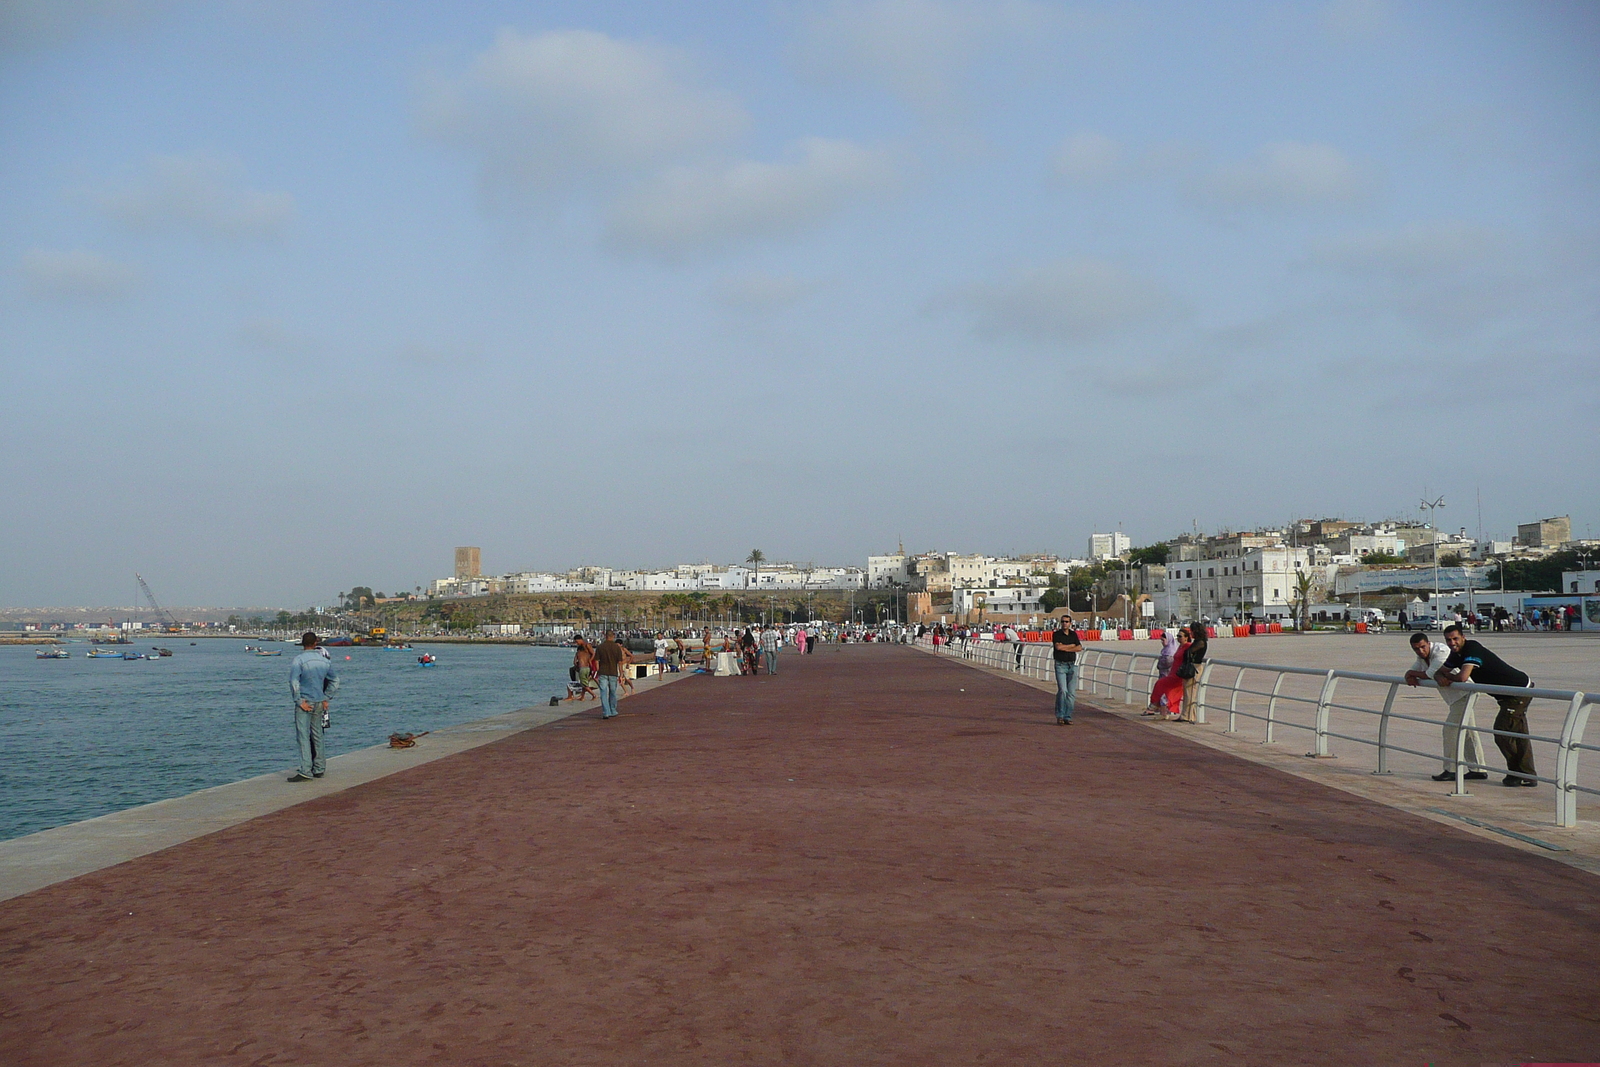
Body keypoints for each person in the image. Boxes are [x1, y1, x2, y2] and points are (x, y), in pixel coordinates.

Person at [1436, 625, 1537, 786]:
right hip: (1507, 697)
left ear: (1463, 637)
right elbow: (1440, 670)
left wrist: (1446, 677)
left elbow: (1462, 676)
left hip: (1518, 692)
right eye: (1448, 640)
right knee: (1518, 735)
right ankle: (1526, 775)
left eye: (1455, 638)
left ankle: (1518, 773)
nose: (1452, 643)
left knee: (1502, 733)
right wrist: (1440, 675)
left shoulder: (1472, 649)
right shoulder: (1457, 654)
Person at [1405, 631, 1489, 782]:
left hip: (1465, 693)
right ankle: (1478, 769)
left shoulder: (1441, 651)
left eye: (1423, 647)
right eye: (1416, 649)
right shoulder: (1422, 656)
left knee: (1450, 730)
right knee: (1468, 732)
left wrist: (1412, 673)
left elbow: (1429, 673)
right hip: (1456, 697)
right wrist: (1410, 673)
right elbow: (1417, 671)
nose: (1421, 651)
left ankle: (1451, 770)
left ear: (1428, 643)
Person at [287, 631, 339, 782]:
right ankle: (320, 768)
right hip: (319, 701)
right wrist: (326, 697)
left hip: (305, 701)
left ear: (302, 643)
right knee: (318, 735)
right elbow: (335, 681)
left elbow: (294, 681)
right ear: (316, 643)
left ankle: (305, 770)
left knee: (303, 735)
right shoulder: (324, 660)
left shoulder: (299, 660)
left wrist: (298, 701)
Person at [1051, 622, 1083, 725]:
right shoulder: (1057, 634)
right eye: (1063, 621)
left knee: (1071, 693)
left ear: (1070, 623)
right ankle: (1060, 715)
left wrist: (1065, 647)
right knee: (1063, 690)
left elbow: (1079, 648)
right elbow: (1058, 647)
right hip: (1060, 665)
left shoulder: (1073, 634)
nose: (1065, 623)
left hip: (1072, 665)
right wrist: (1071, 646)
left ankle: (1067, 716)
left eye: (1067, 621)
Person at [1175, 622, 1207, 724]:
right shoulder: (1198, 641)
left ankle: (1188, 716)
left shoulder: (1200, 642)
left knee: (1190, 693)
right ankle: (1187, 715)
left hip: (1194, 667)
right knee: (1188, 692)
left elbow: (1189, 652)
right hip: (1193, 666)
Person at [595, 631, 626, 719]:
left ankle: (606, 712)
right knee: (612, 692)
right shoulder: (617, 648)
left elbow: (596, 661)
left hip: (603, 672)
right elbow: (620, 663)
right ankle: (613, 710)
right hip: (613, 672)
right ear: (613, 636)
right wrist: (621, 674)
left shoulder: (600, 647)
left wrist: (597, 671)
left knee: (603, 692)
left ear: (605, 636)